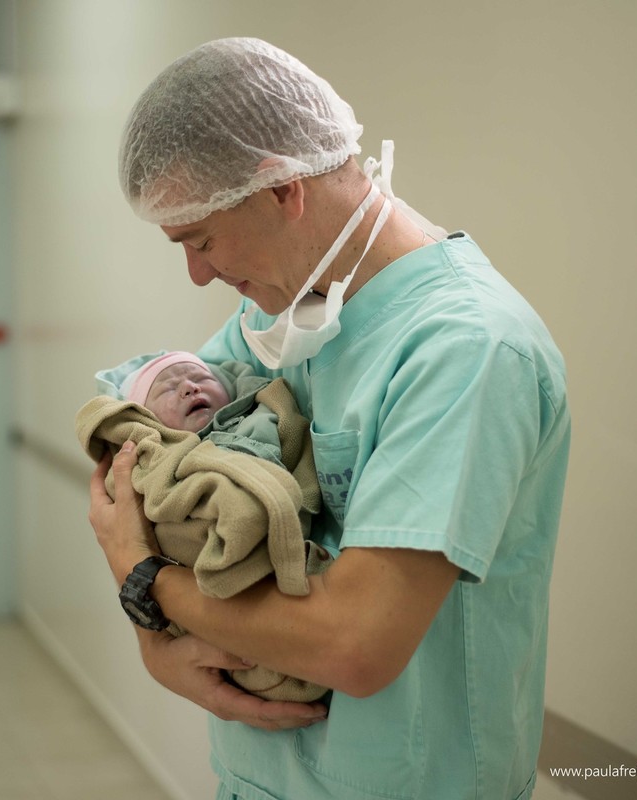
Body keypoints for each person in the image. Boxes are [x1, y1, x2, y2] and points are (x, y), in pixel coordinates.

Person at [88, 36, 570, 800]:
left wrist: (144, 583)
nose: (199, 273)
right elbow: (139, 464)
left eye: (201, 238)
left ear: (283, 189)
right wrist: (155, 638)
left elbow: (354, 645)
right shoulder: (282, 317)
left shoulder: (466, 349)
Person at [76, 350, 331, 701]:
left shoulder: (260, 418)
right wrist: (155, 644)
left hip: (309, 611)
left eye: (201, 379)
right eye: (166, 388)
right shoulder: (153, 457)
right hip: (214, 606)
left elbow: (299, 466)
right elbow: (125, 533)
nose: (188, 387)